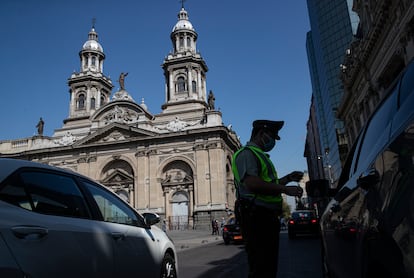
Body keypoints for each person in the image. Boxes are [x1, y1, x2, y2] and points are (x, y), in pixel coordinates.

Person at [232, 119, 304, 278]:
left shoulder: (260, 155)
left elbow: (269, 184)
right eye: (271, 135)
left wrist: (288, 179)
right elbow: (252, 183)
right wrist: (285, 189)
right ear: (261, 134)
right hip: (256, 216)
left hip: (265, 217)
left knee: (268, 268)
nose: (273, 141)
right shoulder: (247, 154)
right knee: (261, 269)